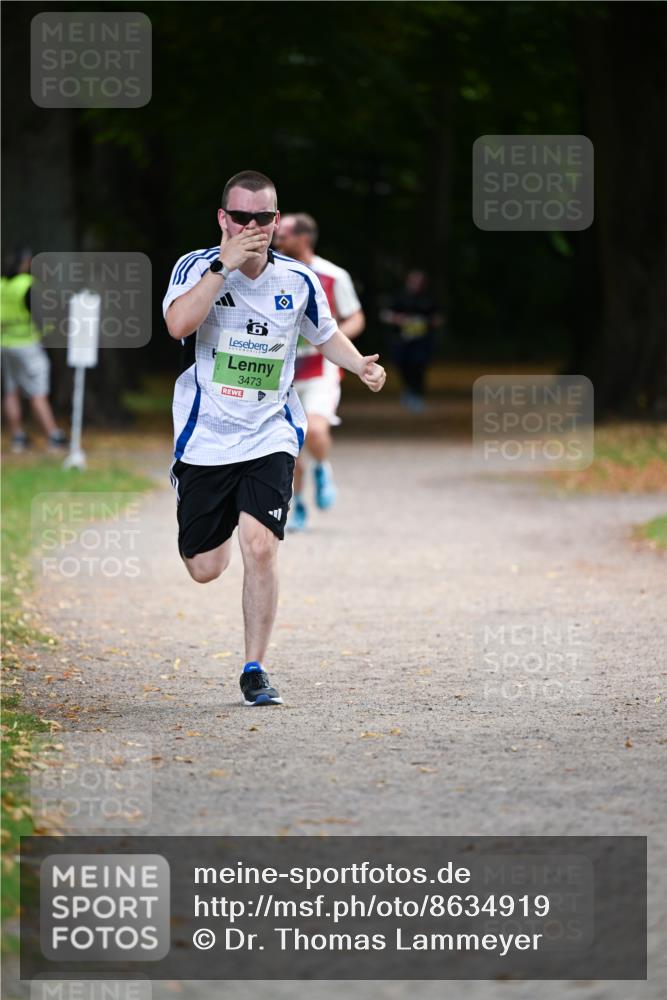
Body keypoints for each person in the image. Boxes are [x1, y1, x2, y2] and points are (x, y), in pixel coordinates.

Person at [163, 170, 386, 706]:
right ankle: (212, 520)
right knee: (205, 568)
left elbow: (326, 334)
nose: (252, 227)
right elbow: (177, 325)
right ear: (223, 219)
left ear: (276, 220)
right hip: (206, 435)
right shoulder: (195, 267)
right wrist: (223, 267)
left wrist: (360, 365)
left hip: (270, 432)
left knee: (260, 546)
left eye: (262, 218)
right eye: (241, 217)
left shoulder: (298, 280)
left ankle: (255, 669)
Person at [274, 214, 365, 531]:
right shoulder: (271, 272)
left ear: (303, 238)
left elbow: (356, 318)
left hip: (320, 370)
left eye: (284, 234)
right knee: (291, 449)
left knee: (314, 430)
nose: (276, 239)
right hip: (281, 373)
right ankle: (297, 504)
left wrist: (329, 339)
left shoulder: (333, 275)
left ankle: (322, 467)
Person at [1, 248, 68, 453]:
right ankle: (53, 435)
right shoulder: (27, 285)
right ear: (26, 262)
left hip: (5, 343)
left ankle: (17, 437)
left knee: (11, 391)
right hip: (27, 344)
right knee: (38, 391)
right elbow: (41, 315)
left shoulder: (2, 285)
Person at [381, 269, 441, 412]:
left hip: (422, 341)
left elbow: (438, 317)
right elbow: (385, 315)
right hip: (402, 341)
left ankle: (417, 394)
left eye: (420, 282)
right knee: (403, 365)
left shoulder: (429, 298)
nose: (417, 284)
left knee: (419, 366)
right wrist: (398, 319)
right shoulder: (399, 297)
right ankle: (408, 390)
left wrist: (427, 322)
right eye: (414, 281)